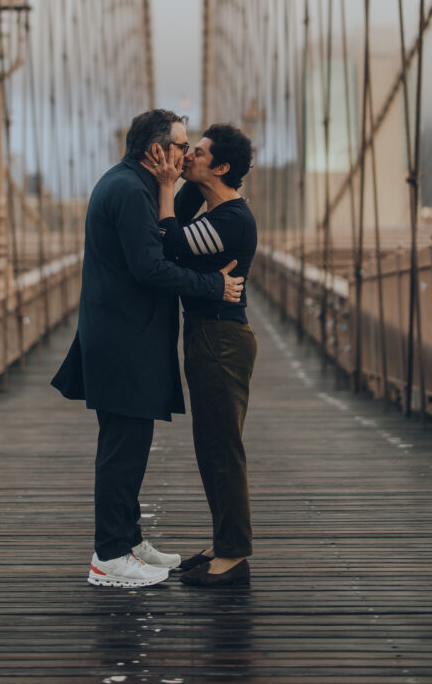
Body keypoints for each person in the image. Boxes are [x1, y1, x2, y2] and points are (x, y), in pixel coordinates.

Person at [51, 109, 244, 589]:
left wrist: (170, 186)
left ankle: (128, 540)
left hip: (127, 336)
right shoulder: (128, 191)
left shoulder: (133, 185)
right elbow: (150, 268)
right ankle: (110, 555)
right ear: (156, 150)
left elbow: (169, 229)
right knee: (122, 449)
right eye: (180, 146)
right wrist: (212, 286)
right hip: (123, 339)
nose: (185, 155)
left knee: (131, 445)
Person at [142, 123, 257, 587]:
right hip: (209, 334)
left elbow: (170, 242)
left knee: (222, 448)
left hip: (221, 340)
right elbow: (165, 217)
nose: (189, 154)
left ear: (223, 167)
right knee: (210, 446)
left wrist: (169, 183)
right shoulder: (205, 203)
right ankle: (224, 538)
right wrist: (175, 180)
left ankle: (233, 556)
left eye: (200, 152)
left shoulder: (232, 218)